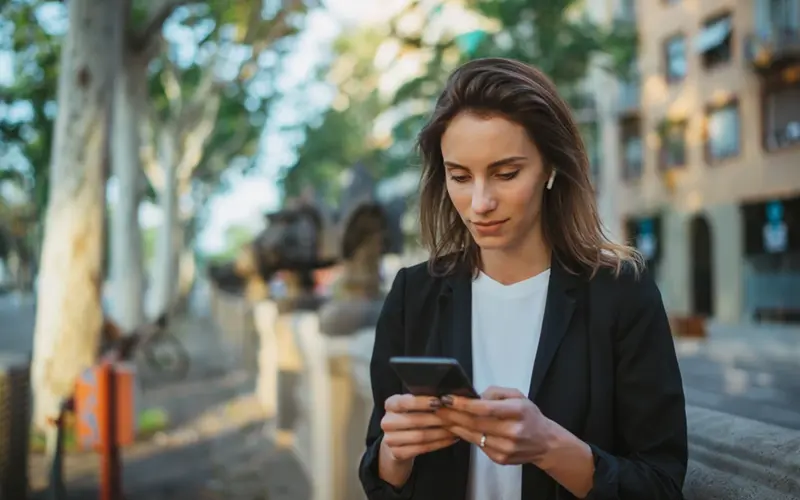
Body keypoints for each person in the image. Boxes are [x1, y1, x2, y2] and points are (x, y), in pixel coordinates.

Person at [358, 58, 687, 500]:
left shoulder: (621, 294)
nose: (480, 202)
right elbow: (378, 479)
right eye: (459, 176)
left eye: (506, 173)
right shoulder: (412, 294)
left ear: (551, 168)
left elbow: (661, 485)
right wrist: (395, 455)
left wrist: (550, 447)